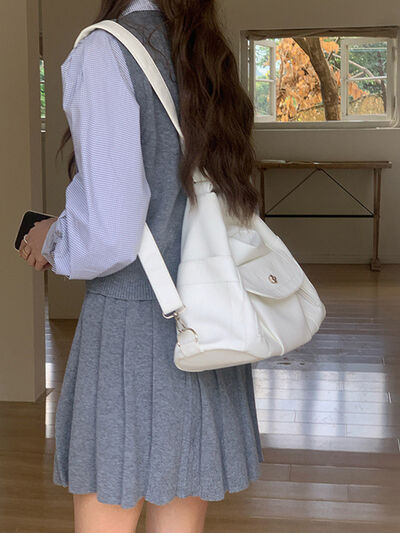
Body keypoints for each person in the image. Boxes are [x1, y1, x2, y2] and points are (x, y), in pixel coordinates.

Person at [18, 0, 264, 531]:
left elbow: (111, 236)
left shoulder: (106, 50)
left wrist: (52, 238)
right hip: (207, 322)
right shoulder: (202, 50)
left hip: (130, 329)